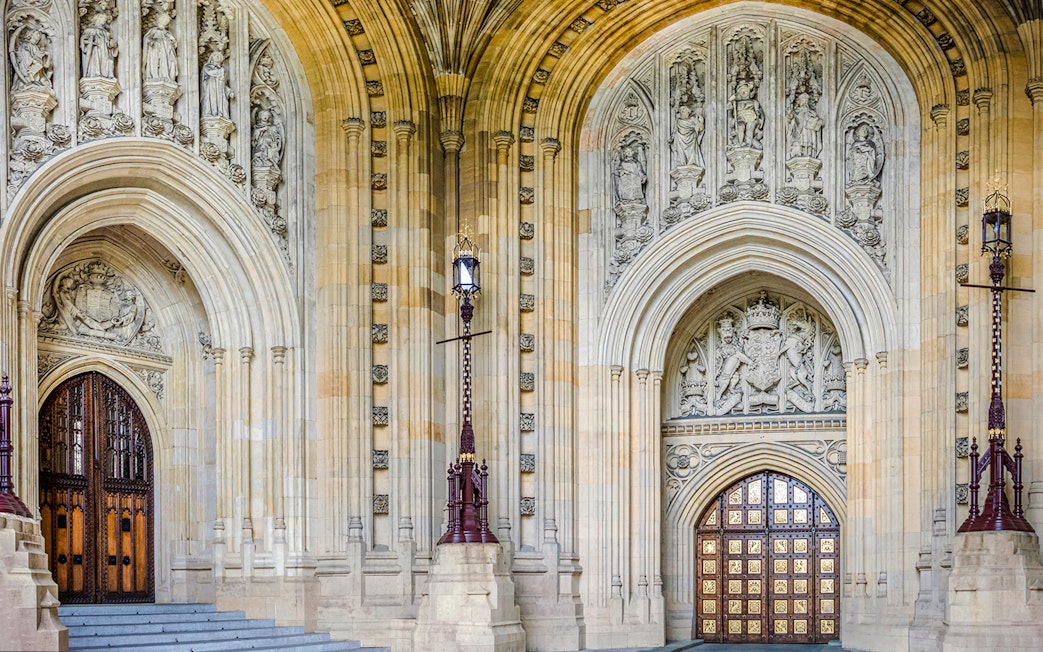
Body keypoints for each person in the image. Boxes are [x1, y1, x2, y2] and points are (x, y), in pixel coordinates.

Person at [80, 5, 116, 78]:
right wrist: (90, 42)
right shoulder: (89, 31)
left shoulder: (106, 33)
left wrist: (112, 45)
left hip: (104, 51)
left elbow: (109, 44)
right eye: (101, 19)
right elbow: (83, 40)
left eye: (104, 21)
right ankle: (94, 73)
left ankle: (106, 74)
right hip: (95, 49)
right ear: (96, 20)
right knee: (95, 59)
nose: (103, 22)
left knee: (106, 60)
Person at [143, 9, 177, 82]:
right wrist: (151, 41)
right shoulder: (154, 30)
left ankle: (165, 75)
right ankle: (154, 75)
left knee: (165, 62)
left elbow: (172, 42)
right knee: (155, 61)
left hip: (165, 50)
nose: (165, 21)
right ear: (160, 19)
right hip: (155, 49)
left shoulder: (167, 33)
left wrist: (172, 42)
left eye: (167, 21)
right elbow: (147, 38)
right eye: (164, 19)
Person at [201, 50, 231, 118]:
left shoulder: (223, 70)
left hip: (220, 91)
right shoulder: (207, 66)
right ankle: (210, 114)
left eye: (219, 56)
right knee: (211, 102)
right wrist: (220, 71)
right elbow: (211, 72)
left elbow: (224, 84)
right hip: (211, 89)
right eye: (215, 55)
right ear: (211, 57)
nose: (217, 57)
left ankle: (221, 114)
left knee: (222, 103)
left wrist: (229, 92)